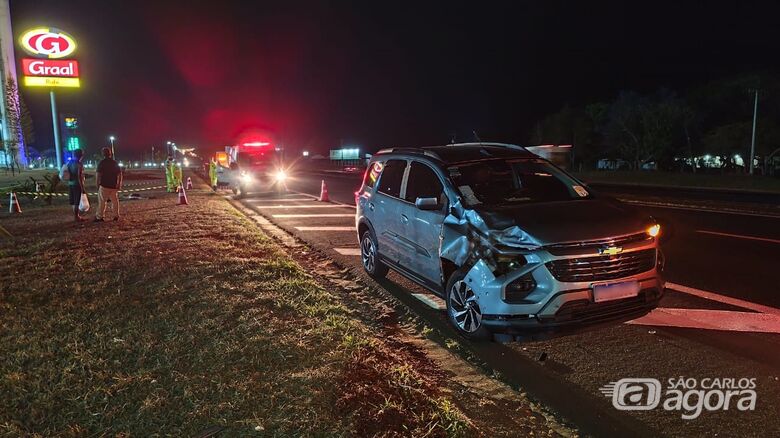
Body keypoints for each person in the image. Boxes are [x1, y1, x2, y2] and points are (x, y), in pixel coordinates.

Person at [95, 147, 123, 222]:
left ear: (103, 154)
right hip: (113, 185)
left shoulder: (102, 163)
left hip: (104, 185)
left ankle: (100, 216)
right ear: (110, 154)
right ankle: (116, 216)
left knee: (102, 202)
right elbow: (120, 174)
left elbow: (98, 175)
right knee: (115, 201)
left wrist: (97, 184)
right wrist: (119, 183)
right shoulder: (114, 162)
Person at [67, 149, 87, 222]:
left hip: (70, 183)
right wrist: (82, 187)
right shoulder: (79, 164)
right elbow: (79, 176)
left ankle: (76, 216)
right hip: (76, 184)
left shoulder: (69, 163)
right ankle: (76, 217)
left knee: (73, 201)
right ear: (80, 155)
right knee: (76, 201)